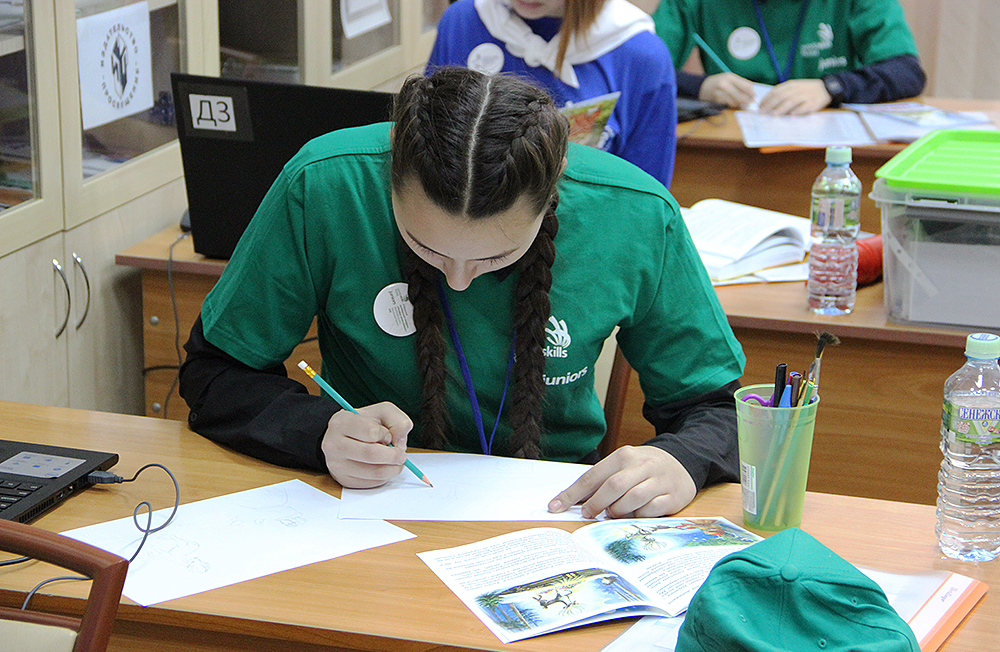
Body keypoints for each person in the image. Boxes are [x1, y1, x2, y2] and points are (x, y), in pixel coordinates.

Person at [178, 68, 745, 519]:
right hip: (366, 505)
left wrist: (682, 460)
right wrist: (319, 432)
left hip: (559, 511)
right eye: (425, 247)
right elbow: (215, 374)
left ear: (556, 182)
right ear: (393, 161)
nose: (458, 280)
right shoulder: (327, 184)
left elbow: (719, 409)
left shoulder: (635, 212)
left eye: (496, 257)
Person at [427, 0, 677, 187]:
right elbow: (427, 151)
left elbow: (646, 198)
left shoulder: (640, 54)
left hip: (584, 233)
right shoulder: (463, 21)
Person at [652, 0, 926, 115]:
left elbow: (906, 72)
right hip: (731, 144)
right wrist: (700, 87)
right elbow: (640, 69)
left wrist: (831, 87)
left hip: (829, 153)